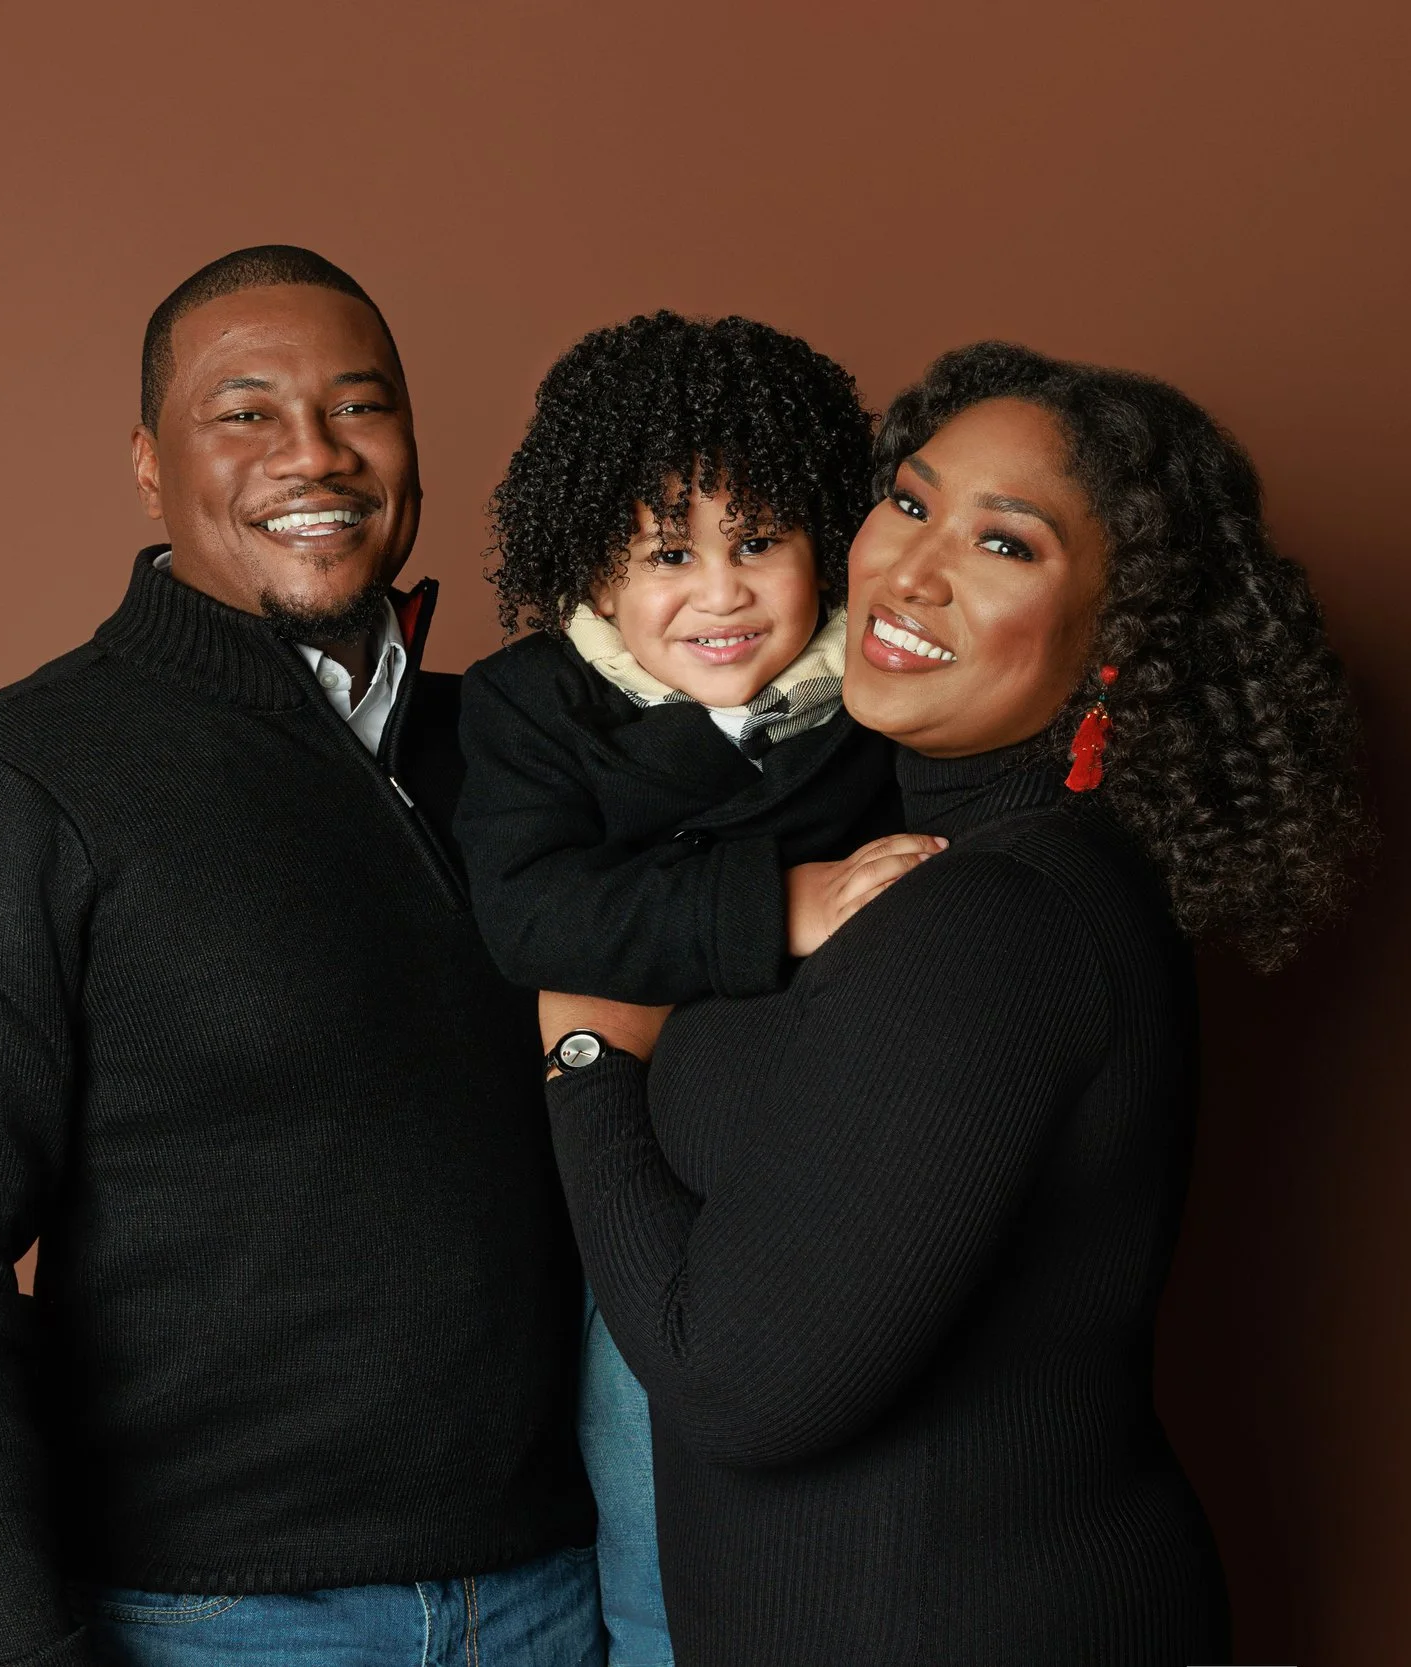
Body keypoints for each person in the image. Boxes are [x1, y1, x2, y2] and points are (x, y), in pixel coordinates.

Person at [540, 343, 1374, 1666]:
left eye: (1005, 544)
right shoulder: (918, 862)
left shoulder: (997, 919)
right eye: (911, 503)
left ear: (1120, 640)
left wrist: (589, 1061)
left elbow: (739, 1386)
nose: (911, 572)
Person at [0, 246, 598, 1667]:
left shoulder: (523, 751)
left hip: (559, 1598)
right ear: (147, 465)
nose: (315, 452)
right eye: (246, 412)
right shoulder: (11, 786)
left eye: (359, 406)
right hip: (214, 1623)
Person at [452, 312, 932, 1665]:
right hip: (637, 1192)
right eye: (670, 554)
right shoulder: (531, 705)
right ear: (592, 568)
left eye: (759, 543)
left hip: (835, 1178)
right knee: (660, 1511)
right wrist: (784, 904)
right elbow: (532, 911)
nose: (720, 594)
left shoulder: (883, 693)